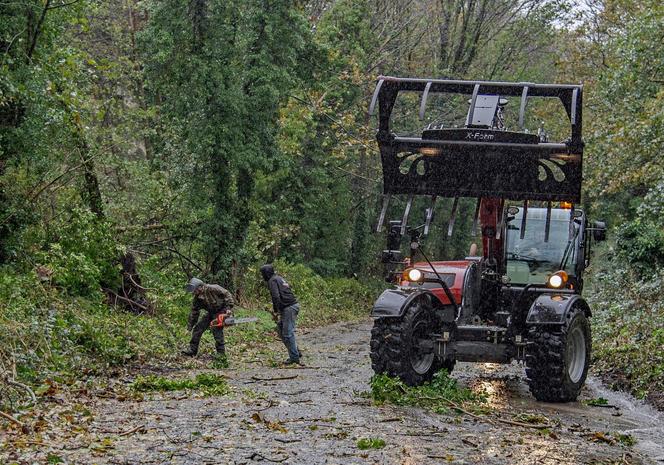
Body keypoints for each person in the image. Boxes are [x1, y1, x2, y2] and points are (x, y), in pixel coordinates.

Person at [181, 277, 234, 358]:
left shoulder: (213, 288)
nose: (194, 292)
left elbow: (227, 294)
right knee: (198, 328)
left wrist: (229, 308)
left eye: (195, 290)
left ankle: (221, 353)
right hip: (211, 312)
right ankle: (192, 350)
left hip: (222, 310)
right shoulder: (197, 299)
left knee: (216, 329)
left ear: (200, 287)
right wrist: (189, 327)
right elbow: (194, 313)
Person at [260, 264, 301, 365]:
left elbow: (276, 296)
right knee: (281, 330)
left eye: (263, 274)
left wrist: (275, 310)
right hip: (290, 306)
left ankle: (294, 358)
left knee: (287, 333)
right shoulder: (279, 278)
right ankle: (296, 352)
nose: (262, 276)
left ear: (266, 273)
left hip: (289, 308)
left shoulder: (272, 280)